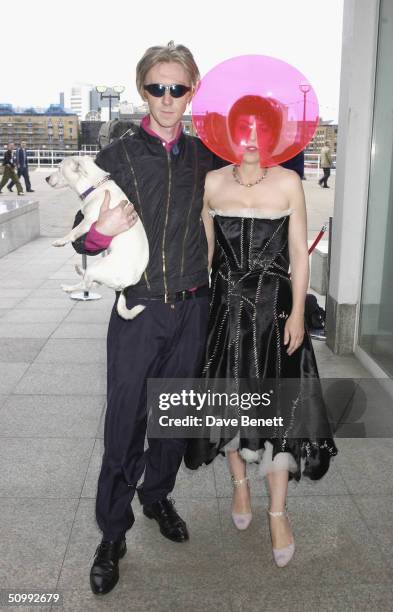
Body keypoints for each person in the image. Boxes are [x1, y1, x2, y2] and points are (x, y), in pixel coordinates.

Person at [71, 41, 224, 596]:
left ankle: (157, 494)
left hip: (193, 305)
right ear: (142, 90)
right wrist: (100, 231)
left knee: (174, 417)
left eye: (177, 88)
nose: (166, 98)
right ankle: (112, 533)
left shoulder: (207, 156)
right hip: (137, 311)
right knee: (126, 423)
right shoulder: (119, 155)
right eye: (156, 87)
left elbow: (243, 200)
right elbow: (81, 241)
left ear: (192, 91)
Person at [184, 99, 338, 568]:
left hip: (275, 313)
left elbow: (299, 254)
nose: (250, 136)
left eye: (259, 128)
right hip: (224, 311)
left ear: (273, 134)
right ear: (228, 134)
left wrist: (296, 314)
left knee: (278, 411)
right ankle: (239, 490)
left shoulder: (289, 182)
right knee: (228, 402)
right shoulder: (211, 183)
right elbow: (205, 255)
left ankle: (277, 513)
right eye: (242, 128)